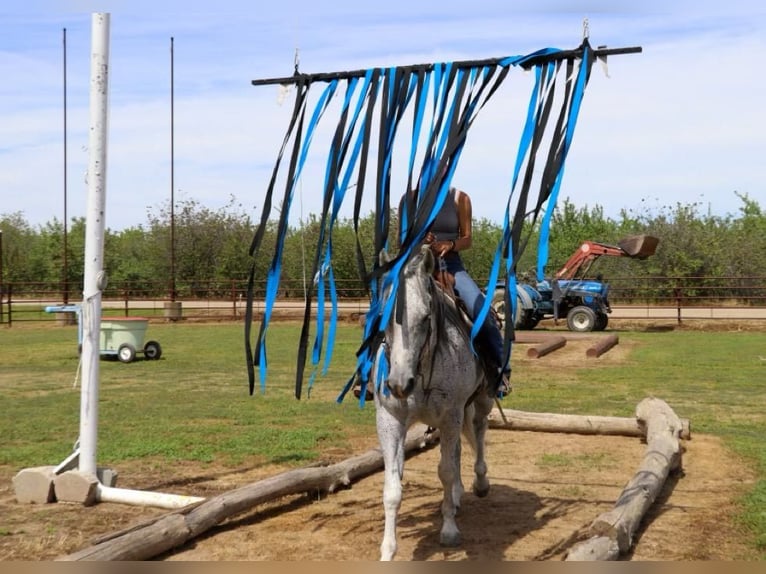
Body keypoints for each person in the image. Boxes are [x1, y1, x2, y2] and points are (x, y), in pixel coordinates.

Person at [354, 183, 510, 400]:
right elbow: (400, 239)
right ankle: (365, 374)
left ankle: (499, 371)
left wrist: (451, 244)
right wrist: (417, 240)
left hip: (450, 265)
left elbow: (467, 239)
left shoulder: (459, 198)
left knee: (479, 308)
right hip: (414, 266)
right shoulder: (408, 199)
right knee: (379, 311)